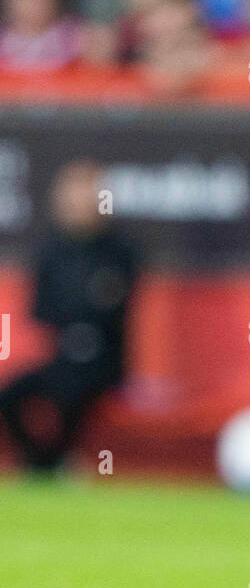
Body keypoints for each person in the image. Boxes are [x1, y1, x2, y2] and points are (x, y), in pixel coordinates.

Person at [0, 161, 138, 472]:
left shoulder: (120, 250)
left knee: (73, 393)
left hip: (104, 363)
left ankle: (56, 462)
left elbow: (112, 306)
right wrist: (78, 316)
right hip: (62, 357)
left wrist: (84, 314)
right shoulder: (51, 250)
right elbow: (42, 309)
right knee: (12, 395)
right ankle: (40, 462)